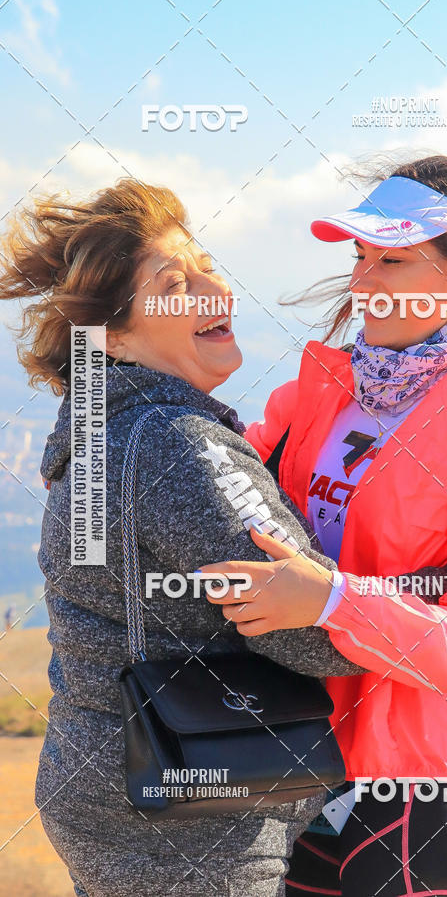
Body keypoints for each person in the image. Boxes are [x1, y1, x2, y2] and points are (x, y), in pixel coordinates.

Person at [199, 155, 447, 896]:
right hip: (287, 754)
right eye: (360, 256)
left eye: (391, 259)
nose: (362, 281)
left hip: (414, 786)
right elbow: (213, 493)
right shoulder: (320, 392)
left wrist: (331, 599)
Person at [0, 179, 372, 897]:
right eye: (177, 283)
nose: (213, 287)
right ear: (113, 335)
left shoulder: (90, 431)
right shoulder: (177, 446)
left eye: (206, 263)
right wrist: (411, 601)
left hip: (108, 775)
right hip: (189, 802)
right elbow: (314, 633)